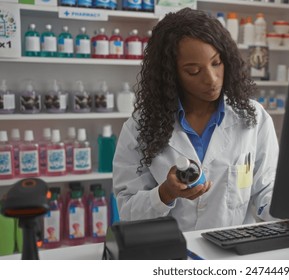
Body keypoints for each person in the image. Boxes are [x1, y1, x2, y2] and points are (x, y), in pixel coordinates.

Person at [113, 8, 279, 232]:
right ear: (171, 74)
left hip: (232, 252)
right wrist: (165, 193)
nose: (211, 79)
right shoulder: (139, 127)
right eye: (193, 71)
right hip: (171, 254)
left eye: (216, 63)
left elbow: (266, 190)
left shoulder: (253, 118)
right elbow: (128, 210)